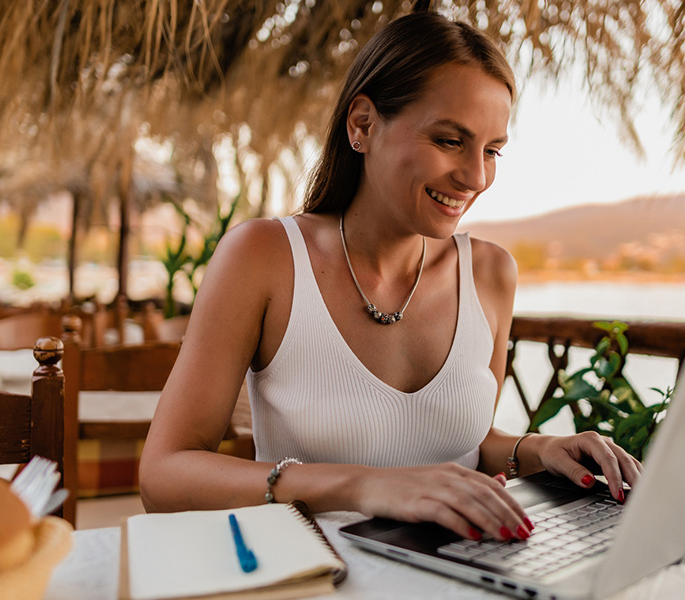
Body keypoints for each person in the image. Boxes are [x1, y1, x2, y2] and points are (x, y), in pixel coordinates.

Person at [140, 11, 642, 544]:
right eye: (450, 141)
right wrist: (366, 487)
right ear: (362, 125)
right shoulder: (265, 257)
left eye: (492, 150)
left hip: (460, 575)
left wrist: (535, 450)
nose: (476, 176)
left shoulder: (491, 273)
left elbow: (462, 443)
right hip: (317, 576)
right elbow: (164, 477)